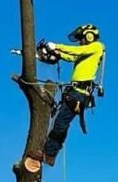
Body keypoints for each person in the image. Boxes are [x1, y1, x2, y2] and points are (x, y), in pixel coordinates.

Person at [43, 24, 105, 166]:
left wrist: (56, 46)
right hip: (74, 92)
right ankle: (49, 153)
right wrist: (57, 54)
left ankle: (49, 153)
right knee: (61, 121)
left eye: (81, 38)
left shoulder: (96, 46)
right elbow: (71, 57)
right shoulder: (87, 52)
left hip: (79, 93)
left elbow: (77, 51)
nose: (79, 41)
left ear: (89, 36)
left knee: (61, 122)